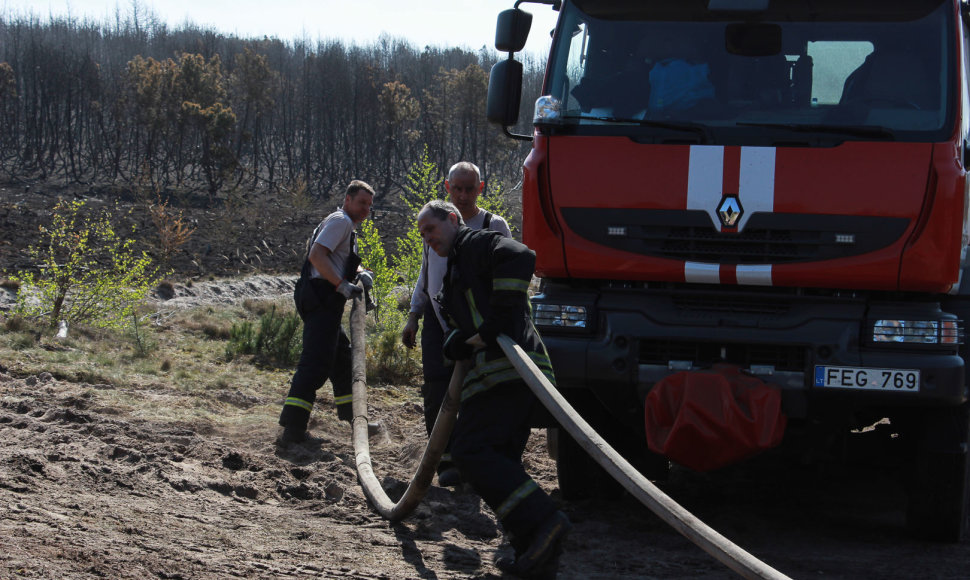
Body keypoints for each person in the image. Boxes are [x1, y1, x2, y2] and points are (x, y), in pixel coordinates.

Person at [416, 200, 570, 579]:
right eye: (422, 235)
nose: (428, 239)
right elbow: (469, 320)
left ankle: (546, 519)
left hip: (510, 373)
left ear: (453, 220)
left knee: (470, 451)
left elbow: (521, 255)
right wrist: (456, 340)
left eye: (431, 229)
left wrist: (500, 317)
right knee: (499, 459)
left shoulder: (476, 242)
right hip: (496, 377)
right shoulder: (457, 266)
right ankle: (533, 549)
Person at [400, 162, 511, 487]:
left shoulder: (493, 224)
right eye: (457, 188)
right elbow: (426, 273)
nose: (463, 195)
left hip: (478, 324)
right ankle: (445, 461)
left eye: (469, 188)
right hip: (438, 320)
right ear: (447, 187)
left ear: (482, 187)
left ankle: (478, 458)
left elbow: (509, 272)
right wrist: (414, 315)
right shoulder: (432, 225)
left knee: (480, 390)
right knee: (437, 389)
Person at [277, 180, 375, 445]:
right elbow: (317, 256)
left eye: (369, 204)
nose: (366, 209)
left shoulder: (345, 226)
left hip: (324, 299)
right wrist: (341, 285)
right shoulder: (341, 221)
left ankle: (354, 419)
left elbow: (337, 259)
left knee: (341, 358)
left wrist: (360, 273)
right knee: (316, 363)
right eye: (361, 202)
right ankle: (293, 428)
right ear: (347, 200)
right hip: (321, 297)